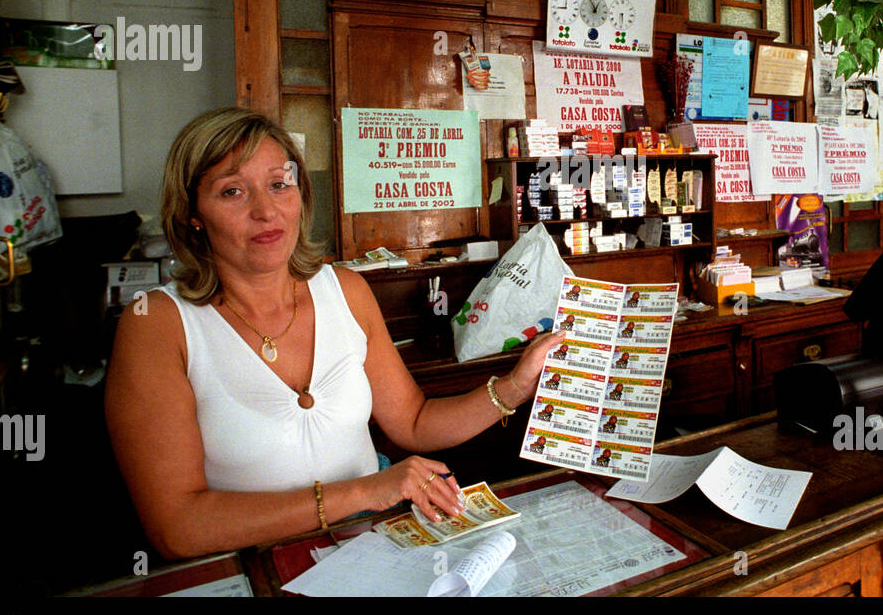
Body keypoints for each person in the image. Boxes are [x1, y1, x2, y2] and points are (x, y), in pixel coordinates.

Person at [105, 107, 562, 559]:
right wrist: (366, 491)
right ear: (192, 214)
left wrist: (516, 386)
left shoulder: (345, 290)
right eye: (231, 192)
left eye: (279, 185)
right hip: (256, 564)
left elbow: (414, 421)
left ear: (300, 195)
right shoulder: (158, 324)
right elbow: (178, 527)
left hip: (369, 549)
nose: (265, 211)